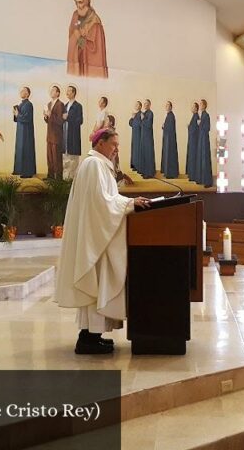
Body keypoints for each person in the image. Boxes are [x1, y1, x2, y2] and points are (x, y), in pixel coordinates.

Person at [54, 128, 149, 355]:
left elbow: (107, 199)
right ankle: (87, 339)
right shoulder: (93, 165)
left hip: (98, 236)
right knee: (96, 285)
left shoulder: (99, 165)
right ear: (100, 144)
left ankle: (92, 336)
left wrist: (128, 202)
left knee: (98, 287)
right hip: (95, 238)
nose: (117, 149)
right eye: (114, 144)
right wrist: (129, 204)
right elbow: (101, 203)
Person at [66, 0, 108, 78]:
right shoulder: (75, 15)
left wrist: (82, 36)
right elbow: (73, 29)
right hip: (77, 54)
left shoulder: (95, 19)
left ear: (87, 1)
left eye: (80, 2)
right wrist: (77, 35)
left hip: (88, 55)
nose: (78, 5)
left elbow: (96, 42)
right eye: (76, 2)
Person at [12, 86, 37, 178]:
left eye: (23, 91)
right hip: (20, 130)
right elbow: (16, 119)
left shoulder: (29, 104)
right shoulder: (21, 104)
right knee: (19, 149)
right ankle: (19, 169)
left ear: (27, 94)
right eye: (21, 90)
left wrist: (18, 115)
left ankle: (27, 172)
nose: (21, 92)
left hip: (26, 131)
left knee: (26, 149)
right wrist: (15, 114)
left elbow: (27, 118)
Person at [62, 85, 84, 179]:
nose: (67, 92)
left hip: (73, 135)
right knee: (65, 157)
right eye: (66, 91)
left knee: (73, 157)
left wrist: (68, 118)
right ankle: (65, 178)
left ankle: (72, 178)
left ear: (74, 93)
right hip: (65, 134)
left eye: (69, 91)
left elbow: (80, 120)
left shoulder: (78, 106)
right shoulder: (65, 106)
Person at [44, 85, 65, 180]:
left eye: (53, 90)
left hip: (56, 135)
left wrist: (50, 114)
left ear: (58, 93)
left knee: (57, 157)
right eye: (51, 90)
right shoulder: (49, 104)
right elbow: (48, 120)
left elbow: (60, 121)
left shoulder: (60, 104)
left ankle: (58, 177)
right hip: (49, 134)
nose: (51, 92)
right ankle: (50, 175)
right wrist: (45, 116)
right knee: (50, 156)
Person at [196, 99, 213, 187]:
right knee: (200, 158)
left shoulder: (206, 115)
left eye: (201, 104)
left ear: (205, 106)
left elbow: (207, 127)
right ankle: (201, 179)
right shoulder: (201, 115)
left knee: (205, 158)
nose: (200, 106)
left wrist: (200, 124)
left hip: (205, 139)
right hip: (201, 138)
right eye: (200, 104)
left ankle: (207, 181)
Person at [160, 101, 179, 179]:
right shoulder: (169, 115)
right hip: (168, 138)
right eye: (166, 105)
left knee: (170, 155)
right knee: (167, 154)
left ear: (171, 107)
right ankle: (168, 172)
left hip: (170, 139)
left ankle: (170, 174)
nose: (166, 106)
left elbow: (170, 127)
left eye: (168, 105)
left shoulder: (171, 115)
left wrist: (164, 126)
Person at [139, 99, 156, 179]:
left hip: (148, 137)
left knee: (148, 154)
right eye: (144, 104)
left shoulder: (150, 113)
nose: (145, 105)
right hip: (143, 136)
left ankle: (150, 173)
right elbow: (139, 124)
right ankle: (145, 172)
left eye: (147, 104)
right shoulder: (144, 113)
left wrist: (143, 119)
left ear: (149, 105)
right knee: (144, 153)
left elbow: (149, 124)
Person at [185, 102, 199, 182]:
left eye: (193, 107)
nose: (192, 108)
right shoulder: (194, 116)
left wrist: (189, 127)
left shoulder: (196, 116)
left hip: (194, 141)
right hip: (192, 140)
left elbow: (195, 129)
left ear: (196, 108)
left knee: (193, 157)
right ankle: (191, 175)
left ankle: (193, 176)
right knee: (191, 157)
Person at [129, 101, 142, 172]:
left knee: (138, 150)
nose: (136, 106)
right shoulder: (135, 114)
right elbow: (130, 124)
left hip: (139, 135)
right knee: (134, 150)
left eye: (137, 105)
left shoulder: (141, 114)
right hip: (134, 134)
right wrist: (132, 118)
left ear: (140, 106)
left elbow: (141, 124)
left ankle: (139, 166)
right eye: (135, 104)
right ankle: (134, 166)